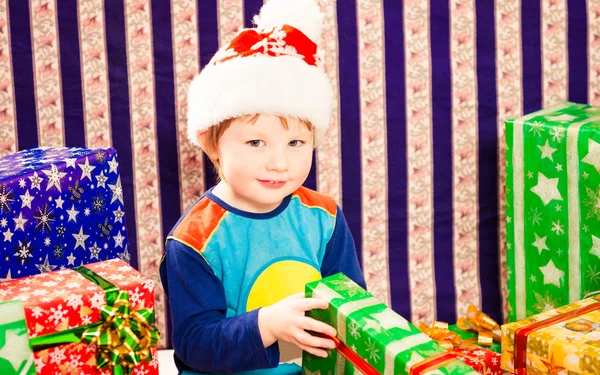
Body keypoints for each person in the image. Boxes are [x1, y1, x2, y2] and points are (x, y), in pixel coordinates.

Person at [159, 0, 366, 373]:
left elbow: (352, 307)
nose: (279, 163)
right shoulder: (193, 241)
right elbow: (195, 344)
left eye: (295, 143)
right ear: (211, 144)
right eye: (256, 143)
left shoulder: (325, 217)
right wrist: (266, 324)